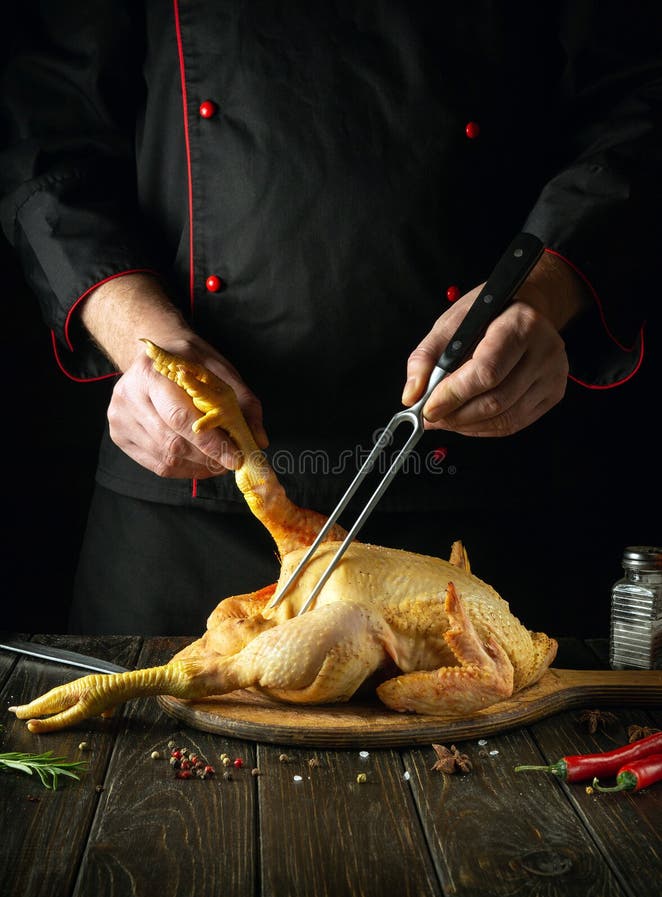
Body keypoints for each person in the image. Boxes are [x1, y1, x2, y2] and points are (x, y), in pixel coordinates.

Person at [1, 3, 659, 636]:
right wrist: (146, 340)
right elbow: (49, 136)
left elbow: (639, 106)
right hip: (184, 510)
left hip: (493, 493)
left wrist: (541, 292)